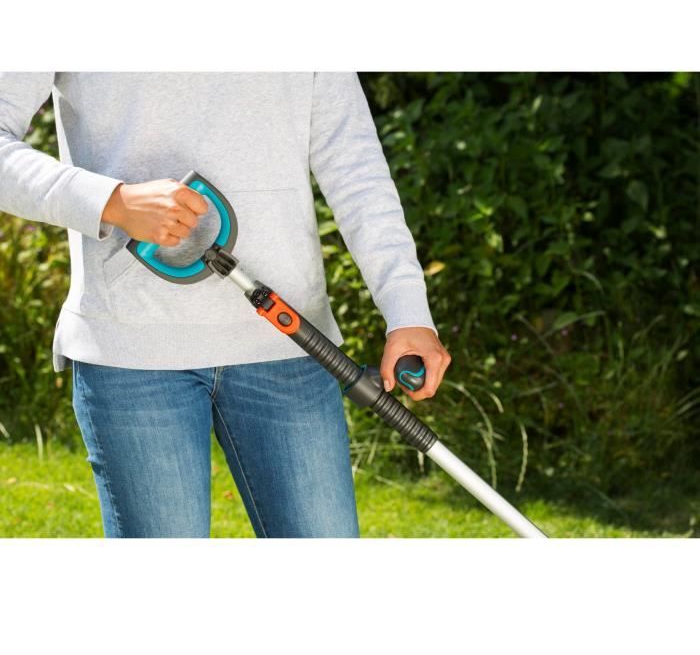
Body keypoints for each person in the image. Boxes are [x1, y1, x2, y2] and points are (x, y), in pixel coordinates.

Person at [0, 72, 451, 538]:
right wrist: (113, 202)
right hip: (132, 354)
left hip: (290, 347)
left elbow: (356, 168)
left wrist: (408, 312)